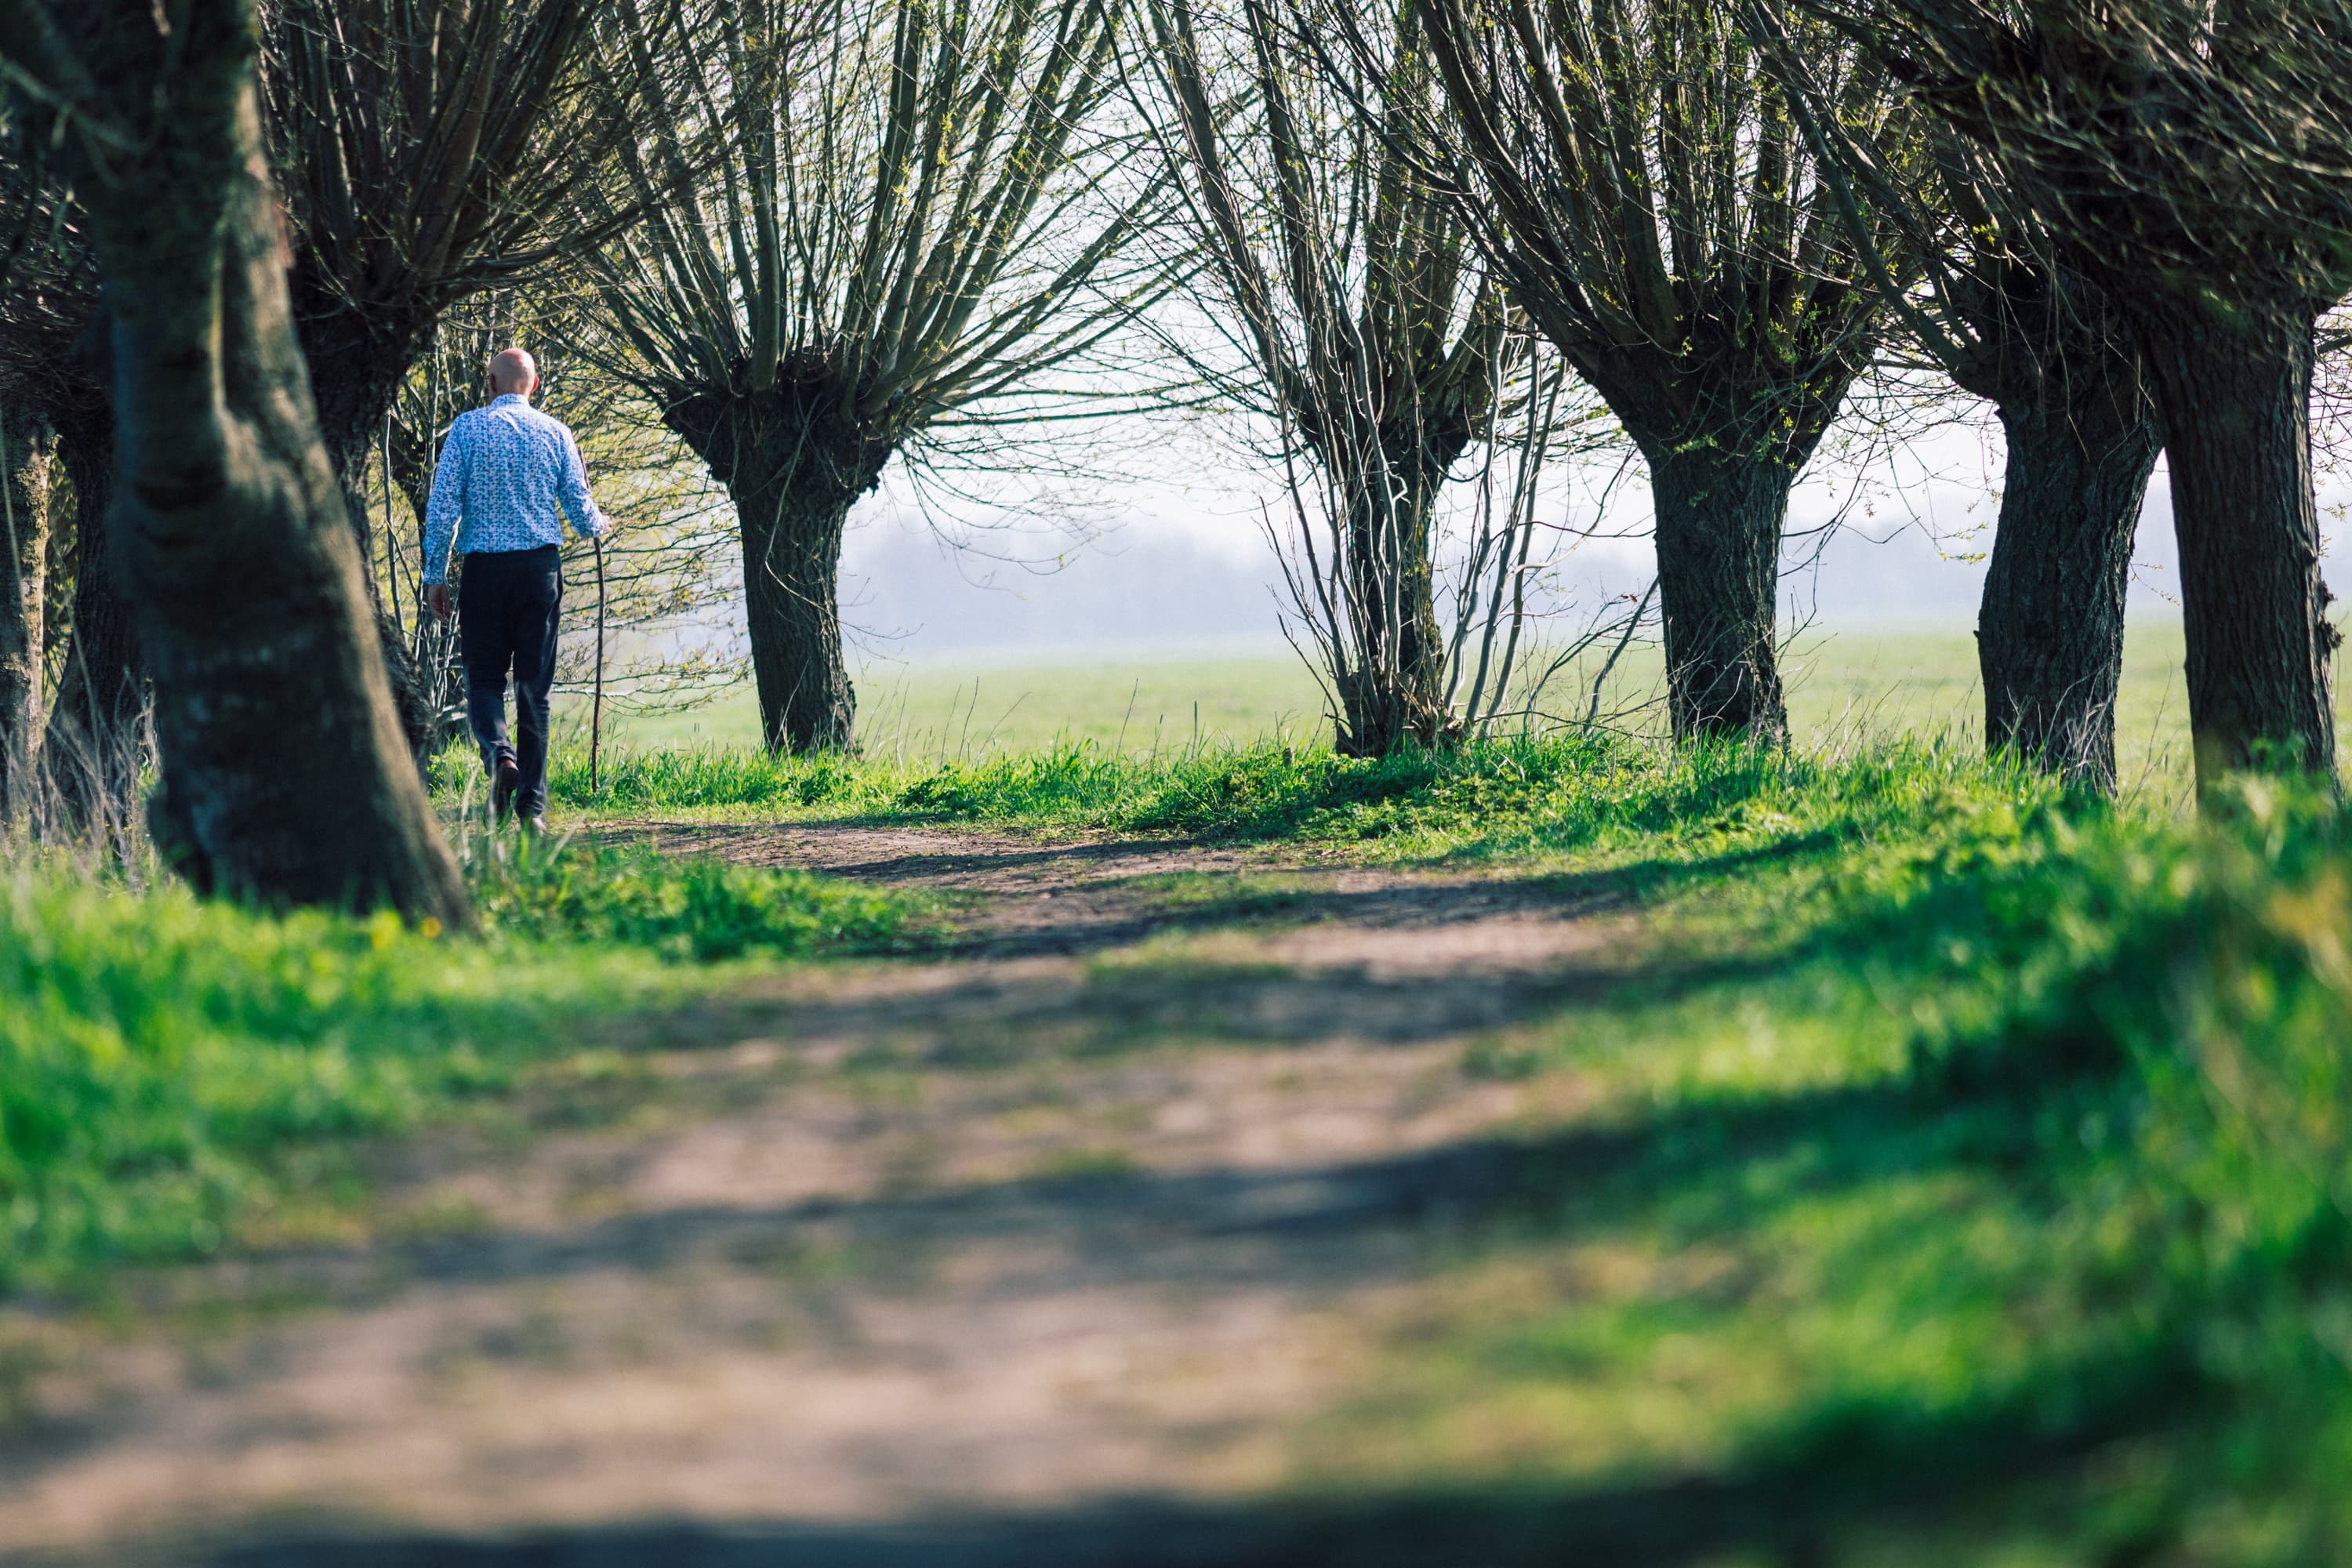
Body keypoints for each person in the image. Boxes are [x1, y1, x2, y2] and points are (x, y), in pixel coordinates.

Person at [424, 347, 610, 833]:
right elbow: (580, 512)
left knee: (484, 681)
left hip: (484, 572)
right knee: (535, 691)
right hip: (538, 573)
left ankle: (501, 759)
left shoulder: (465, 430)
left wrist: (434, 575)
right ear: (536, 384)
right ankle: (532, 811)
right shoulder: (556, 433)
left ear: (489, 384)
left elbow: (442, 509)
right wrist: (600, 521)